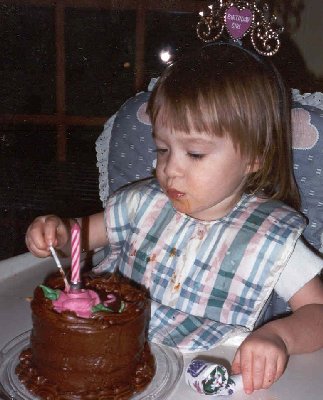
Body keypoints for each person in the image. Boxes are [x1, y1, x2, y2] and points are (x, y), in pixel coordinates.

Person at [25, 43, 323, 395]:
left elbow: (317, 312)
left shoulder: (269, 237)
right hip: (105, 361)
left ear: (255, 158)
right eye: (163, 148)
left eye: (195, 153)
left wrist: (279, 337)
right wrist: (55, 233)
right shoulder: (142, 204)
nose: (169, 169)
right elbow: (79, 237)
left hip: (204, 374)